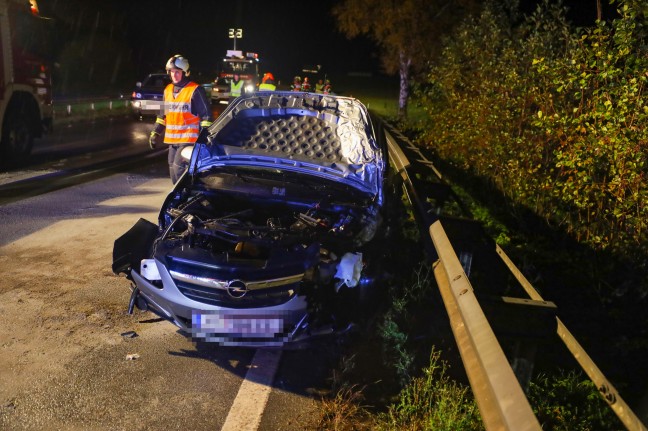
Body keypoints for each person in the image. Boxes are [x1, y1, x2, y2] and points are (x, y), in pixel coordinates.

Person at [148, 54, 212, 184]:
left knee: (179, 171)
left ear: (185, 73)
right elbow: (162, 116)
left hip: (189, 140)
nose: (174, 75)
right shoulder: (167, 90)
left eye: (177, 72)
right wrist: (155, 133)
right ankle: (183, 199)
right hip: (173, 141)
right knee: (173, 172)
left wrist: (204, 137)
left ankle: (185, 200)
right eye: (171, 72)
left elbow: (206, 116)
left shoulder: (195, 90)